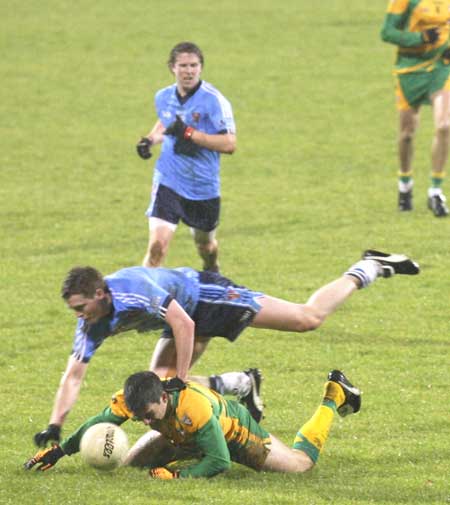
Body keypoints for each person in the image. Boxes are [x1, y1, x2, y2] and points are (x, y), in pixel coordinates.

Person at [31, 249, 419, 448]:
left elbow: (184, 323)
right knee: (160, 382)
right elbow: (74, 375)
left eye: (81, 308)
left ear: (100, 294)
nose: (79, 317)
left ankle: (367, 267)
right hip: (184, 313)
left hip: (209, 296)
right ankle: (240, 383)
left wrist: (182, 382)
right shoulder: (93, 322)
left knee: (307, 319)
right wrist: (55, 425)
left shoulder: (133, 292)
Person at [25, 369, 362, 478]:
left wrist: (178, 476)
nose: (142, 421)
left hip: (234, 436)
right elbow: (99, 421)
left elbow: (219, 461)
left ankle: (334, 396)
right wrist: (61, 451)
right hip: (180, 435)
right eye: (137, 415)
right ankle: (181, 454)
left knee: (301, 466)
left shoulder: (195, 408)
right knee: (132, 466)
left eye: (148, 415)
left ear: (163, 398)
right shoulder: (140, 399)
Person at [136, 41, 236, 271]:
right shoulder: (163, 96)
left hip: (202, 185)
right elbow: (168, 119)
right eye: (183, 66)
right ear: (172, 67)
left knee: (205, 245)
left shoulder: (214, 101)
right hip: (169, 180)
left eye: (193, 65)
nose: (188, 71)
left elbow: (230, 144)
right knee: (157, 248)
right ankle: (142, 304)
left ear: (201, 68)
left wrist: (190, 133)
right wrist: (150, 139)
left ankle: (211, 267)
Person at [381, 0, 450, 216]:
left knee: (445, 125)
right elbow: (387, 32)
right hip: (409, 72)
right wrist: (419, 38)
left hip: (441, 68)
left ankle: (435, 191)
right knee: (407, 134)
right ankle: (405, 184)